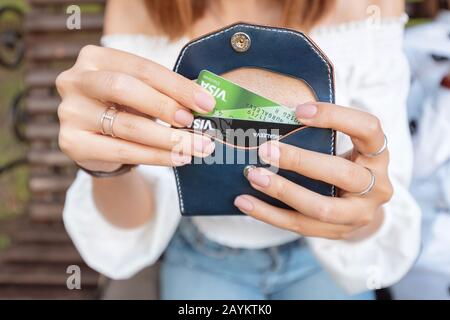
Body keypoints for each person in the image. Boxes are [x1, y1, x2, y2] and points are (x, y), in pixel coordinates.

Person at [56, 0, 421, 299]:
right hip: (201, 252)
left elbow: (380, 199)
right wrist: (106, 165)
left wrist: (358, 209)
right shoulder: (140, 8)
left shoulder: (366, 8)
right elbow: (134, 216)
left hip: (326, 256)